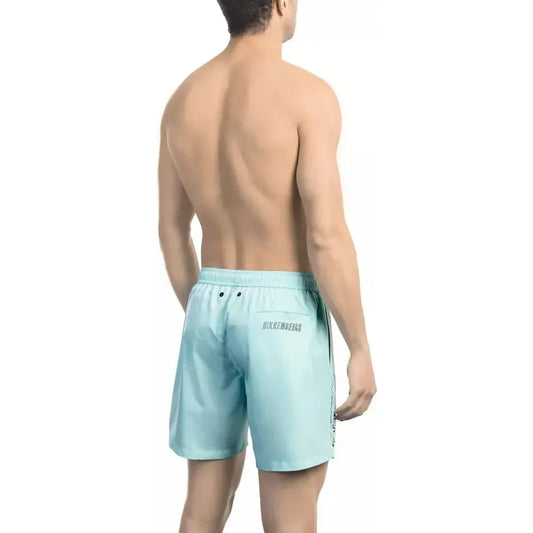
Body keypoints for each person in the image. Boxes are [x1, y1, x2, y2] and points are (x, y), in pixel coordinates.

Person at [158, 1, 377, 531]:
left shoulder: (183, 98)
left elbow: (171, 230)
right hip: (284, 312)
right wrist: (360, 347)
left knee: (202, 508)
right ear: (280, 2)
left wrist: (206, 315)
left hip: (207, 304)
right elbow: (325, 236)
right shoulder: (306, 95)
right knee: (290, 516)